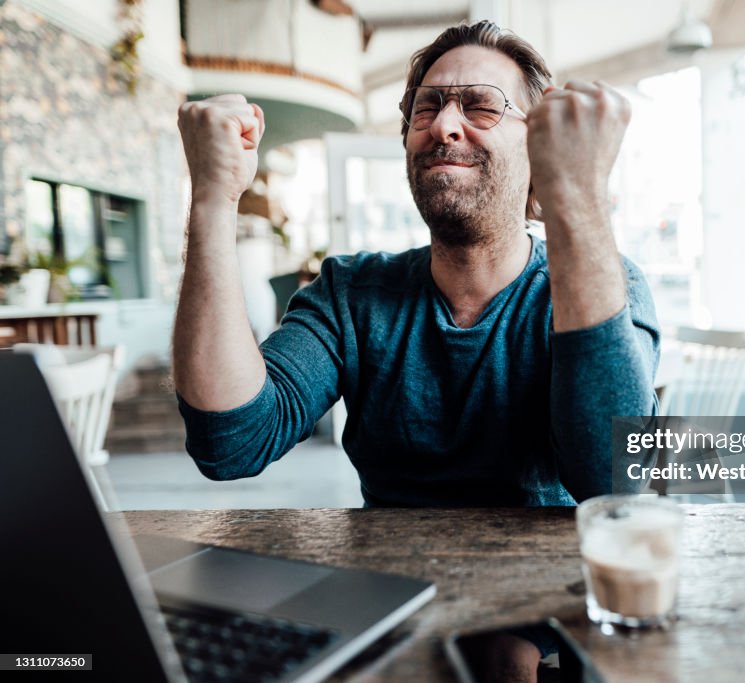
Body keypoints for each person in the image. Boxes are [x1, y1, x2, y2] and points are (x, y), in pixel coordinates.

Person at [173, 21, 660, 506]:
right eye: (426, 107)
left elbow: (615, 482)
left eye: (481, 105)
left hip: (554, 584)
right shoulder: (351, 292)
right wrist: (214, 198)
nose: (443, 125)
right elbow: (231, 442)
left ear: (537, 144)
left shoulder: (608, 283)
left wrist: (577, 192)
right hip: (389, 581)